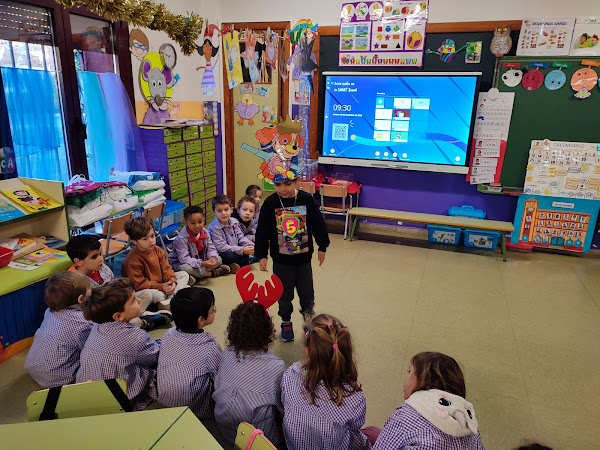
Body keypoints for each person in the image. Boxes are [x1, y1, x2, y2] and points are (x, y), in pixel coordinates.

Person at [255, 173, 329, 342]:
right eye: (278, 184)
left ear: (297, 181)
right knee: (284, 295)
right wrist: (261, 255)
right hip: (281, 261)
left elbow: (318, 223)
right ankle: (286, 321)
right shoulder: (271, 203)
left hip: (303, 260)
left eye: (287, 184)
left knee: (307, 293)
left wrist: (322, 246)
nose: (283, 189)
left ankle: (308, 321)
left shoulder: (306, 199)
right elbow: (262, 230)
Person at [281, 314, 370, 450]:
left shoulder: (291, 375)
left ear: (308, 351)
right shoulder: (355, 398)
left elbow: (283, 403)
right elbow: (355, 429)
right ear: (346, 354)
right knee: (372, 433)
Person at [76, 279, 160, 411]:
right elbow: (154, 356)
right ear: (118, 316)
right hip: (120, 400)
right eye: (133, 300)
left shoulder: (97, 327)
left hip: (87, 395)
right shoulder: (134, 336)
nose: (139, 300)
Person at [373, 352, 484, 449]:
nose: (406, 378)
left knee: (370, 432)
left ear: (422, 378)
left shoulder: (405, 416)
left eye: (409, 371)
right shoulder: (470, 427)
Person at [213, 301, 287, 446]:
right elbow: (282, 405)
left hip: (225, 429)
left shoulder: (227, 352)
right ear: (268, 330)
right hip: (257, 438)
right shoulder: (277, 366)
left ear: (234, 328)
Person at [66, 234, 167, 330]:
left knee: (147, 295)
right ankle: (140, 319)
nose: (100, 259)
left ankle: (138, 316)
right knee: (133, 321)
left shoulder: (102, 268)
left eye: (100, 254)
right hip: (102, 315)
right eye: (94, 257)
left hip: (117, 304)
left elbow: (116, 287)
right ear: (78, 262)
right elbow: (85, 311)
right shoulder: (74, 281)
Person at [157, 287, 221, 418]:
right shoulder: (210, 347)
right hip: (193, 408)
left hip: (164, 399)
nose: (214, 311)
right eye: (212, 310)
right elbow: (219, 379)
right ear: (201, 320)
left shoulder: (169, 333)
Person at [24, 271, 92, 388]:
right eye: (89, 289)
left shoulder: (50, 311)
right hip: (58, 379)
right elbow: (88, 349)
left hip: (33, 366)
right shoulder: (84, 323)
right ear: (81, 299)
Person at [121, 217, 190, 311]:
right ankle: (175, 295)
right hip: (146, 289)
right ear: (134, 241)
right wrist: (161, 287)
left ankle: (169, 300)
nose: (151, 241)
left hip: (161, 283)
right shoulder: (132, 261)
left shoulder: (158, 250)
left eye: (152, 236)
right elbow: (140, 284)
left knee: (184, 275)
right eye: (145, 239)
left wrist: (171, 281)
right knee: (155, 295)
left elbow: (167, 269)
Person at [169, 205, 232, 280]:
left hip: (201, 260)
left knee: (218, 259)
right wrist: (201, 263)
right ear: (186, 223)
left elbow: (211, 247)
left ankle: (194, 276)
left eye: (200, 222)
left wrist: (212, 258)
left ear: (204, 220)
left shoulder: (205, 232)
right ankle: (211, 273)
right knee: (186, 268)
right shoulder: (181, 238)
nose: (197, 226)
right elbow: (184, 259)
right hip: (183, 263)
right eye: (193, 223)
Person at [208, 194, 255, 268]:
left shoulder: (234, 222)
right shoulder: (213, 228)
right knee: (229, 256)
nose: (223, 213)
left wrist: (251, 245)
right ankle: (245, 261)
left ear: (231, 210)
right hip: (222, 252)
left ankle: (237, 263)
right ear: (214, 212)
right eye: (219, 211)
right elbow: (221, 247)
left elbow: (240, 237)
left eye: (226, 209)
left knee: (250, 249)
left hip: (235, 248)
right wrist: (242, 250)